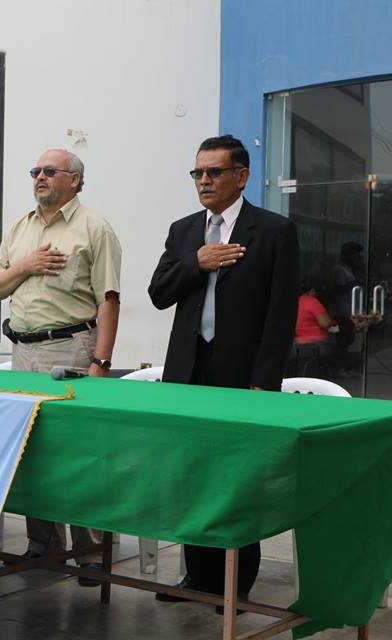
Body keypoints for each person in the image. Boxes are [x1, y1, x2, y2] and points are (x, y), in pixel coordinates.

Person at [148, 135, 299, 606]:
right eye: (198, 173)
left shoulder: (273, 230)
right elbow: (158, 293)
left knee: (235, 481)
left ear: (242, 176)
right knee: (192, 477)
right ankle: (198, 577)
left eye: (214, 172)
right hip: (188, 373)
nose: (204, 181)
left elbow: (281, 314)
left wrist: (264, 383)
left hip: (242, 376)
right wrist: (196, 263)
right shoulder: (184, 231)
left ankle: (235, 583)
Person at [0, 148, 121, 585]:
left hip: (71, 348)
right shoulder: (21, 227)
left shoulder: (94, 227)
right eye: (35, 171)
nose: (39, 177)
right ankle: (44, 544)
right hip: (23, 352)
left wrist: (101, 362)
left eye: (49, 171)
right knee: (32, 451)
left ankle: (89, 551)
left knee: (76, 453)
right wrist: (26, 266)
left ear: (75, 179)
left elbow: (109, 299)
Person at [295, 279, 337, 345]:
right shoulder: (312, 301)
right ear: (312, 290)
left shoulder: (296, 301)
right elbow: (325, 323)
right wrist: (335, 322)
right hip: (316, 343)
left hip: (298, 342)